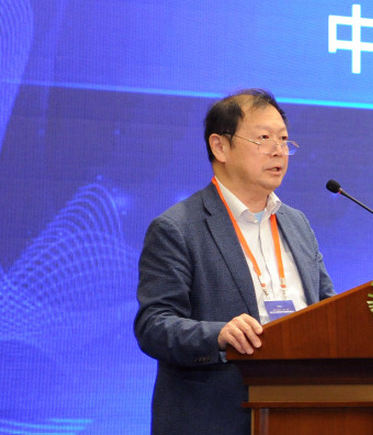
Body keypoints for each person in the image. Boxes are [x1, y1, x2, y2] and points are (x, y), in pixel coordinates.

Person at [134, 89, 335, 435]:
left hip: (300, 414)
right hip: (217, 419)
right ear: (220, 147)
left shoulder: (296, 223)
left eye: (284, 140)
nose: (278, 150)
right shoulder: (178, 228)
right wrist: (218, 334)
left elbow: (327, 310)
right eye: (263, 138)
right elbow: (153, 326)